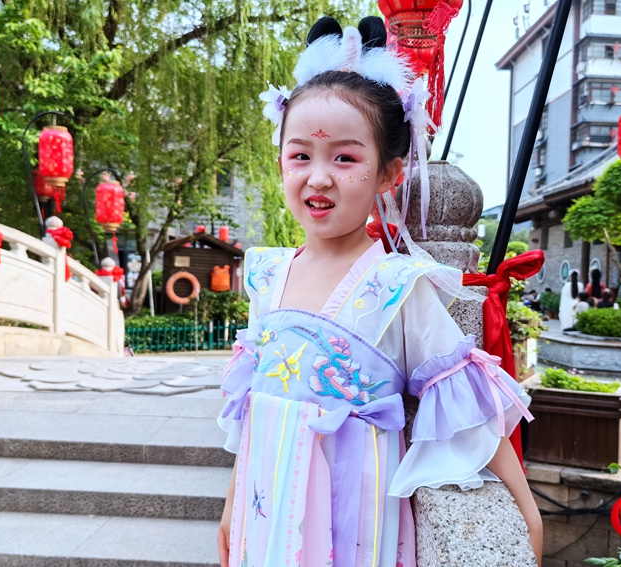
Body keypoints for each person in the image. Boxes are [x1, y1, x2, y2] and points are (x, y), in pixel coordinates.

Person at [216, 18, 541, 567]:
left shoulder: (397, 285)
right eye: (301, 156)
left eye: (345, 158)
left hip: (353, 515)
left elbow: (466, 403)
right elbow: (253, 415)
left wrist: (527, 509)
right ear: (280, 163)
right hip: (265, 508)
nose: (318, 177)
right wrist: (231, 508)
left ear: (388, 174)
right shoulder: (266, 276)